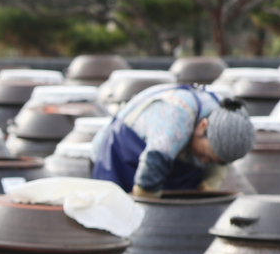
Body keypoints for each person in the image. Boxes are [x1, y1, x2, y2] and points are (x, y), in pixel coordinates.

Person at [92, 83, 255, 197]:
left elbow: (220, 161)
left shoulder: (226, 118)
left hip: (167, 158)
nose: (204, 161)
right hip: (122, 153)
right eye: (207, 156)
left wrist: (208, 188)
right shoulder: (175, 118)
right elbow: (147, 187)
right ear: (202, 126)